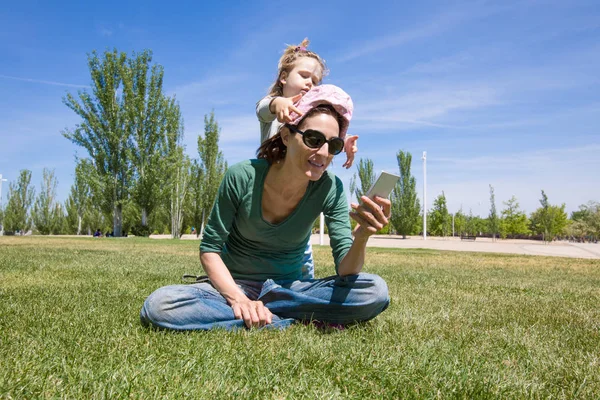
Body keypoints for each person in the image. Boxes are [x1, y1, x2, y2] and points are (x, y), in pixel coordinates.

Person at [140, 85, 390, 331]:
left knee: (375, 291)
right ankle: (292, 317)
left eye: (334, 145)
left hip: (290, 289)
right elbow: (209, 250)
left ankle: (267, 312)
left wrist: (362, 237)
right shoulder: (242, 176)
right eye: (314, 139)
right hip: (234, 286)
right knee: (160, 305)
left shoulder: (330, 188)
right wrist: (238, 299)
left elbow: (346, 270)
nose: (323, 152)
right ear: (286, 136)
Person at [256, 38, 359, 279]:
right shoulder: (274, 109)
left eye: (315, 81)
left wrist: (342, 143)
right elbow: (262, 109)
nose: (309, 84)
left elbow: (320, 146)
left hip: (297, 206)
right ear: (283, 77)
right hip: (271, 193)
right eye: (303, 76)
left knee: (301, 259)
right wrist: (276, 103)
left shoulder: (314, 113)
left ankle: (303, 288)